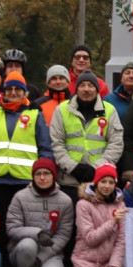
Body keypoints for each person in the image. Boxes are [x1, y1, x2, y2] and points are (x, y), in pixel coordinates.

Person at [0, 70, 52, 267]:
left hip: (25, 181)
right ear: (4, 92)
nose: (14, 92)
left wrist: (42, 177)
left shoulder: (35, 114)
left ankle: (24, 263)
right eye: (10, 89)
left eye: (19, 89)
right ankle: (3, 264)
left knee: (25, 226)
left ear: (25, 92)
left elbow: (44, 148)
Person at [5, 157, 74, 267]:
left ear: (54, 176)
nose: (42, 178)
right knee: (28, 244)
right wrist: (37, 233)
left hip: (51, 251)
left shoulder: (65, 201)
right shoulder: (20, 197)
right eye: (38, 174)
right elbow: (12, 228)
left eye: (47, 173)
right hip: (22, 249)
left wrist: (42, 256)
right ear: (33, 176)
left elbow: (64, 234)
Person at [49, 70, 125, 200]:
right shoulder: (61, 110)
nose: (86, 89)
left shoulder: (110, 111)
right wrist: (73, 168)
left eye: (90, 85)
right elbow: (56, 143)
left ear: (97, 89)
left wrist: (96, 169)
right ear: (76, 89)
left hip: (100, 182)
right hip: (68, 181)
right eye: (82, 85)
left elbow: (116, 144)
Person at [73, 164, 128, 267]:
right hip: (88, 262)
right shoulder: (83, 205)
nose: (107, 186)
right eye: (103, 181)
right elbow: (91, 238)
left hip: (109, 263)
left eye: (111, 182)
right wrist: (113, 222)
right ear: (96, 183)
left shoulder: (120, 205)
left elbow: (121, 241)